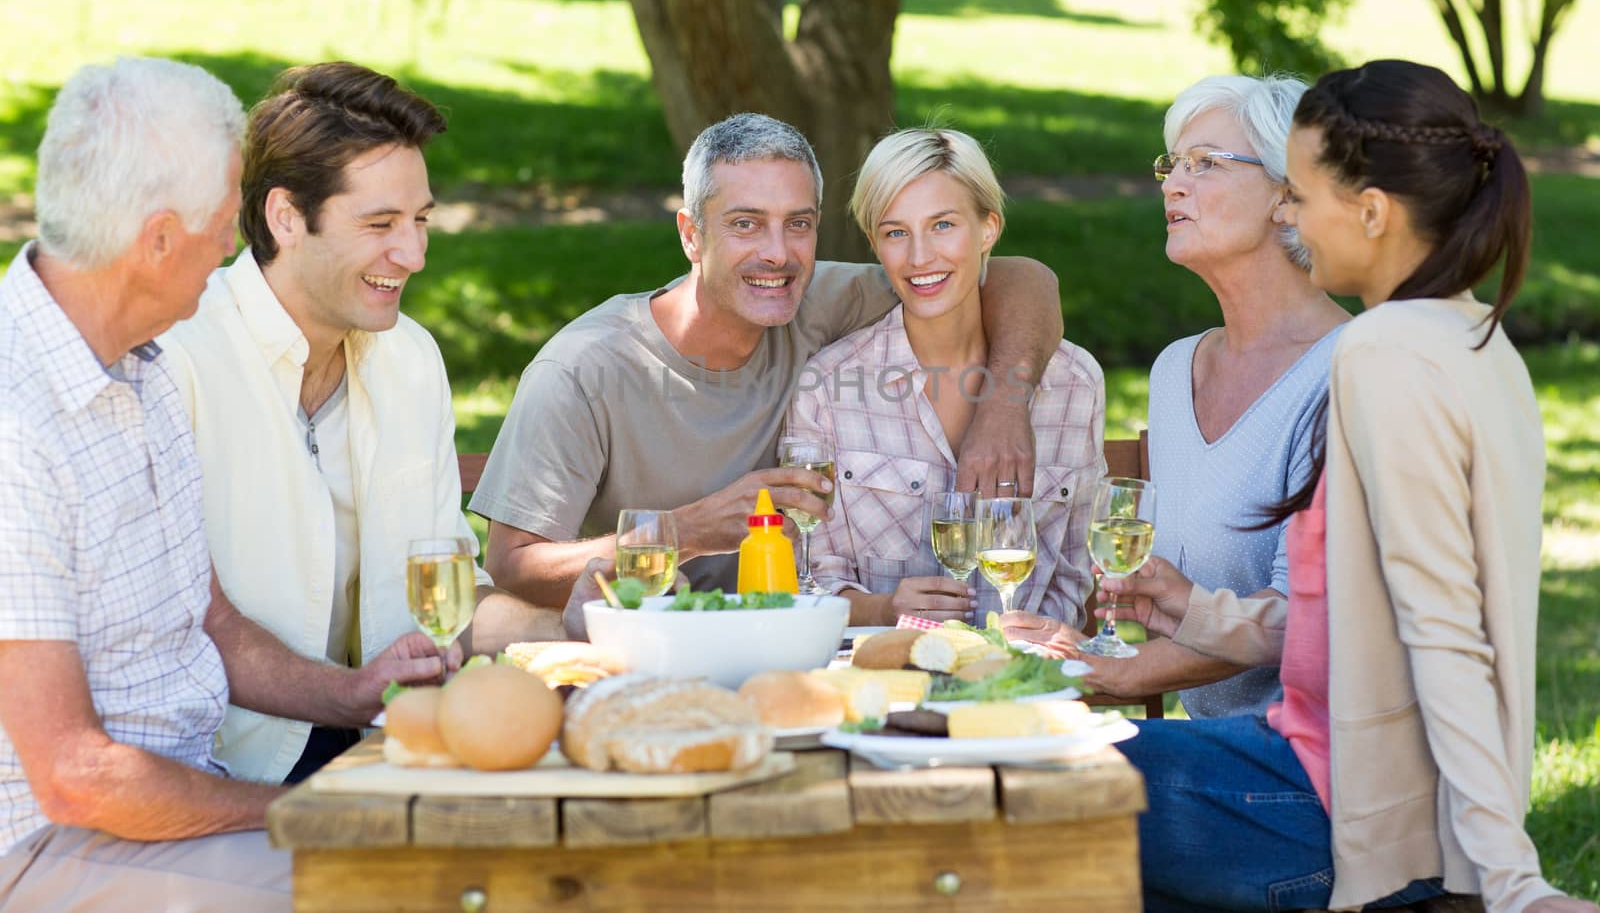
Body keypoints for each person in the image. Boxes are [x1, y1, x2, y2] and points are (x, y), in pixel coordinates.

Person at [1104, 59, 1597, 913]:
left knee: (1022, 785)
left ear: (1369, 212)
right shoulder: (1475, 337)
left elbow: (1445, 625)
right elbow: (1349, 612)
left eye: (1298, 193)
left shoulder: (1378, 353)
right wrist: (1197, 608)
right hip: (1325, 779)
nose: (1290, 216)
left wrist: (1504, 874)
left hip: (1335, 804)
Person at [0, 58, 453, 910]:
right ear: (160, 238)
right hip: (48, 844)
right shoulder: (15, 426)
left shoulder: (143, 373)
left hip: (169, 805)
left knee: (453, 873)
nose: (231, 249)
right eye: (221, 223)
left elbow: (207, 618)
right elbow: (74, 778)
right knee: (389, 891)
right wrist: (302, 810)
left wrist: (353, 694)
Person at [471, 112, 1067, 617]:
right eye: (745, 224)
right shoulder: (585, 369)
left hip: (793, 647)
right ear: (691, 235)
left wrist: (1004, 406)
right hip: (653, 648)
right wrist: (684, 532)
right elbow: (510, 564)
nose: (778, 254)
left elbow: (1020, 277)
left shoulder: (815, 301)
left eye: (798, 225)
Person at [158, 62, 563, 785]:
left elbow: (453, 604)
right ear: (286, 217)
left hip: (393, 746)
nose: (413, 254)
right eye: (380, 224)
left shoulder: (410, 358)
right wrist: (347, 694)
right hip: (224, 766)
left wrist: (577, 624)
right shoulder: (178, 359)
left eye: (420, 220)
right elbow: (180, 625)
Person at [1003, 74, 1349, 718]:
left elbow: (1308, 615)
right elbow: (1172, 595)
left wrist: (1121, 672)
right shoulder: (1174, 370)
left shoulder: (1347, 374)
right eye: (1173, 165)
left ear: (1287, 194)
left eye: (1206, 164)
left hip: (1307, 765)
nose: (1172, 184)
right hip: (1208, 742)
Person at [784, 128, 1104, 628]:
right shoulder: (828, 389)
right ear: (875, 244)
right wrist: (885, 611)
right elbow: (809, 575)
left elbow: (1072, 578)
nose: (919, 258)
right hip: (882, 684)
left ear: (988, 229)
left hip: (1020, 687)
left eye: (943, 225)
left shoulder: (1074, 384)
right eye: (895, 233)